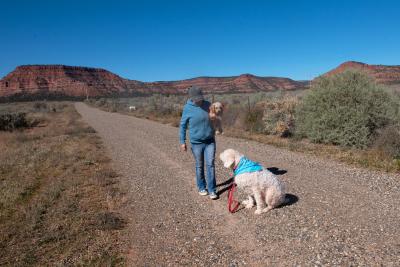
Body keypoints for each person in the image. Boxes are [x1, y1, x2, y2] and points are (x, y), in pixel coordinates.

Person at [179, 86, 218, 200]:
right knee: (199, 165)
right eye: (196, 98)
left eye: (200, 98)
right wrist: (182, 141)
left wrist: (215, 118)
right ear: (191, 98)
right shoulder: (187, 108)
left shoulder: (208, 104)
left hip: (210, 141)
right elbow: (182, 126)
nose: (199, 100)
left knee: (210, 165)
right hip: (196, 143)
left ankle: (212, 190)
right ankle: (202, 187)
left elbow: (215, 117)